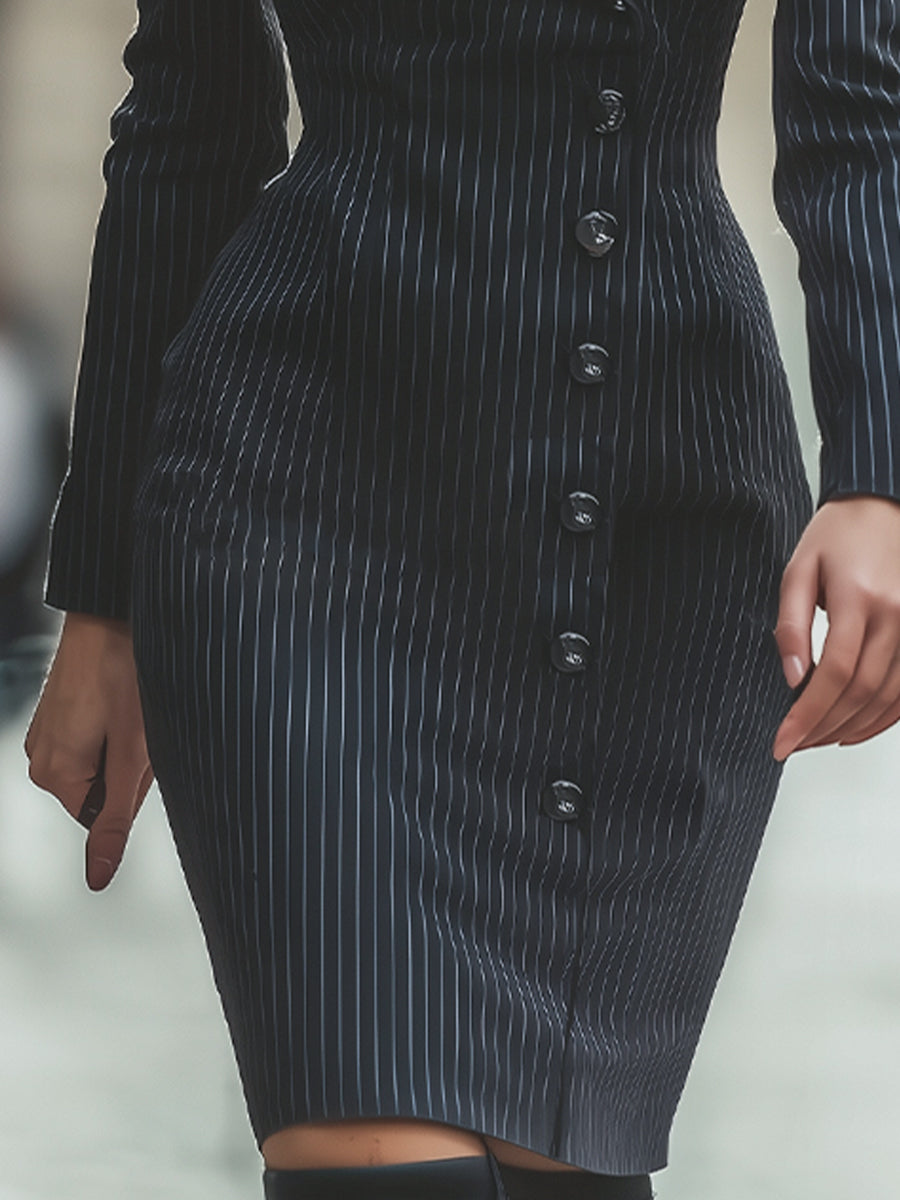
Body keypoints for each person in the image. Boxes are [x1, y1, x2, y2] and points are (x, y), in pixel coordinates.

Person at [23, 0, 900, 1197]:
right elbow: (191, 112)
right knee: (365, 1139)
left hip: (653, 519)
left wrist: (879, 475)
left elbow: (863, 101)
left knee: (564, 1169)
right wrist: (105, 602)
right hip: (294, 504)